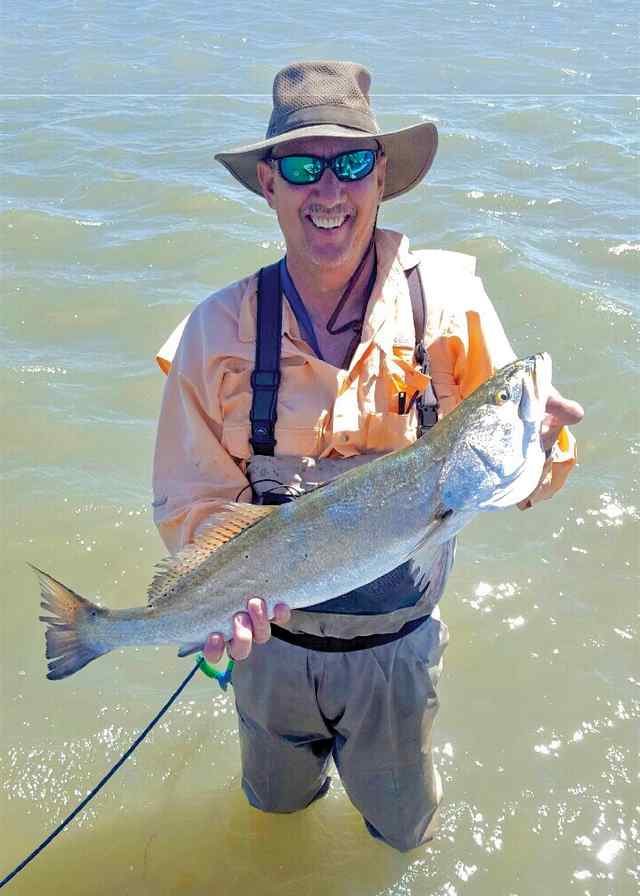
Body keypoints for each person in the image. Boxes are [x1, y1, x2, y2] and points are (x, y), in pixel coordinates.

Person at [152, 61, 583, 851]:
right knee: (274, 824)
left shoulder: (448, 302)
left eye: (350, 163)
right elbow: (191, 508)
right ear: (269, 187)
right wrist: (217, 609)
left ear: (381, 178)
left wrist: (541, 440)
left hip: (398, 657)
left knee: (400, 838)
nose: (329, 191)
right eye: (302, 167)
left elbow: (516, 480)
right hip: (269, 658)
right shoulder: (214, 335)